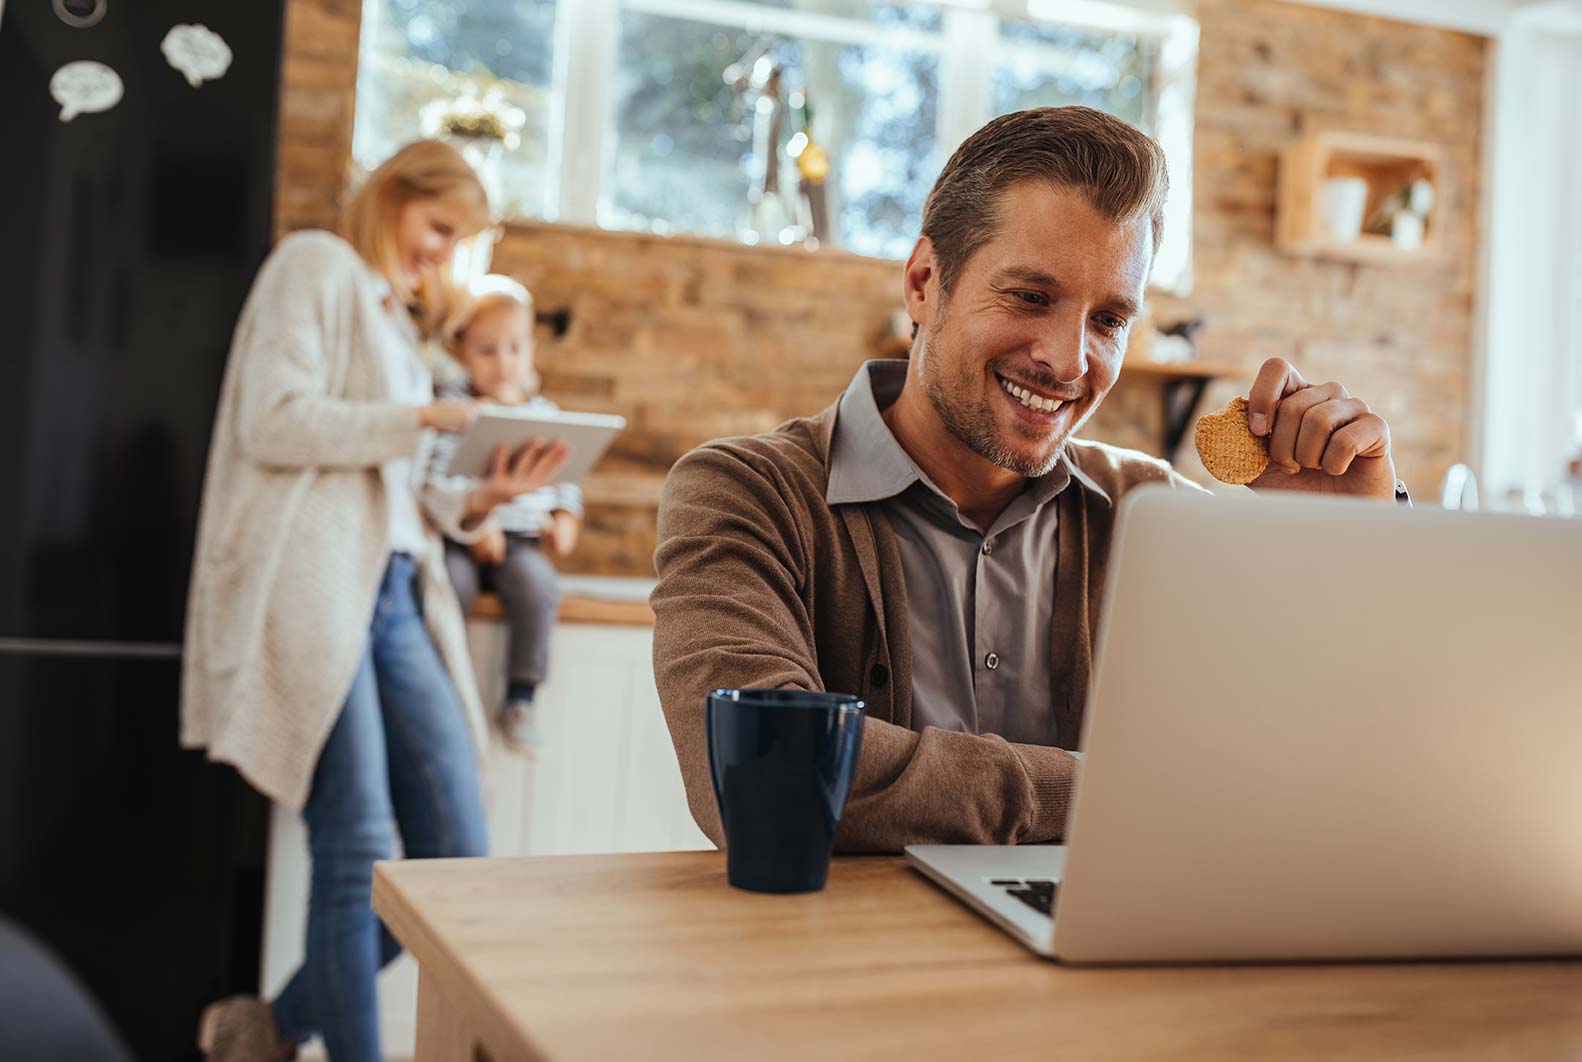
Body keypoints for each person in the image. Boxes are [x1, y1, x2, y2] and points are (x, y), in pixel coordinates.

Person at [650, 107, 1401, 853]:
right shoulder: (745, 494)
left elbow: (1320, 765)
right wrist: (1116, 791)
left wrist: (1345, 554)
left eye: (1108, 320)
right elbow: (759, 778)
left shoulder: (1155, 515)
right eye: (1031, 297)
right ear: (923, 283)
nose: (1069, 360)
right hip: (846, 962)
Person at [181, 140, 566, 1061]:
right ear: (392, 193)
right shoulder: (314, 265)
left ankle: (266, 1030)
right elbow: (271, 420)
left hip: (395, 591)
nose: (441, 253)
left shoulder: (399, 326)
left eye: (457, 241)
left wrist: (480, 495)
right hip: (320, 589)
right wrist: (423, 418)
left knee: (452, 866)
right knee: (355, 849)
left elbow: (399, 495)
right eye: (438, 228)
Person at [427, 277, 584, 752]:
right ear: (460, 350)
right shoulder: (452, 407)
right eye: (488, 350)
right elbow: (437, 476)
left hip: (521, 544)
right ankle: (439, 692)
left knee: (538, 586)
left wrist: (565, 521)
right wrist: (479, 528)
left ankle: (521, 695)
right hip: (460, 537)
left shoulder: (543, 411)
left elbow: (567, 480)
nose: (503, 362)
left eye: (515, 348)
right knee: (450, 587)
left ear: (530, 350)